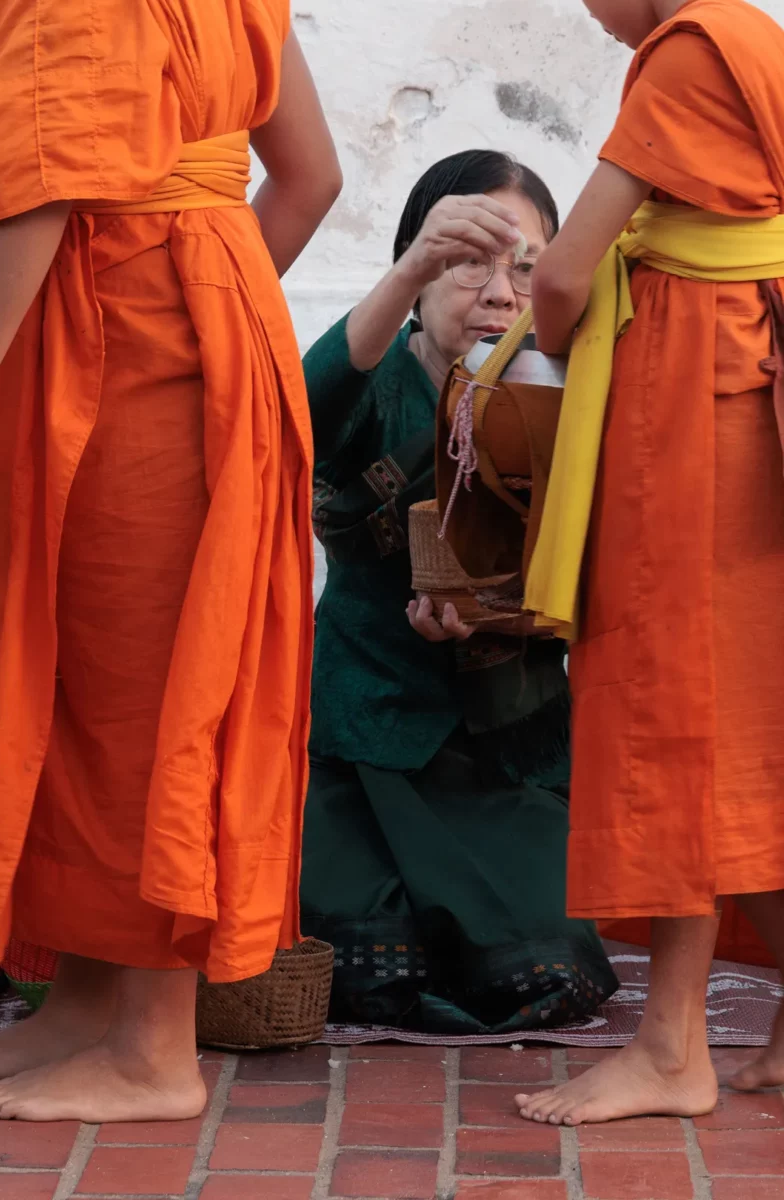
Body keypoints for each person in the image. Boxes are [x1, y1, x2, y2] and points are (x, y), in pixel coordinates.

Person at [0, 0, 341, 1123]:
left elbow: (37, 195)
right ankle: (86, 1002)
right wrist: (224, 294)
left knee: (146, 687)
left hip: (124, 345)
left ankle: (153, 1049)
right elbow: (309, 178)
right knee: (102, 677)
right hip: (193, 329)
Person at [515, 0, 784, 1126]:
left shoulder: (683, 51)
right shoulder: (757, 34)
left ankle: (671, 1048)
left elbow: (566, 270)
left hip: (689, 420)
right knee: (749, 723)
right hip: (744, 389)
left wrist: (543, 348)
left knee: (673, 713)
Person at [300, 151, 618, 1034]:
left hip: (502, 749)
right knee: (361, 967)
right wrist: (402, 274)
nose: (498, 291)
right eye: (465, 258)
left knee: (548, 972)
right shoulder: (378, 381)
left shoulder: (567, 398)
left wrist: (504, 618)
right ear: (414, 266)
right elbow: (302, 411)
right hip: (367, 741)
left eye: (525, 264)